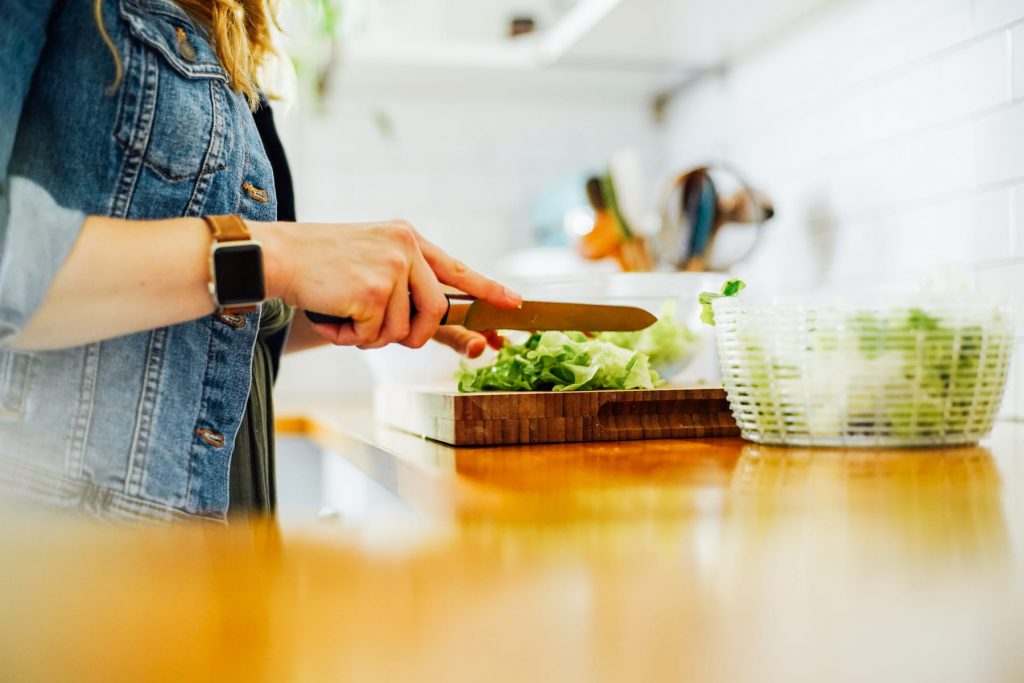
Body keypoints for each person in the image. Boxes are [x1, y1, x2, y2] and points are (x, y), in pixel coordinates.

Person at [0, 0, 519, 522]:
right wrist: (283, 257)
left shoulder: (225, 29)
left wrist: (362, 296)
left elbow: (205, 326)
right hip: (74, 559)